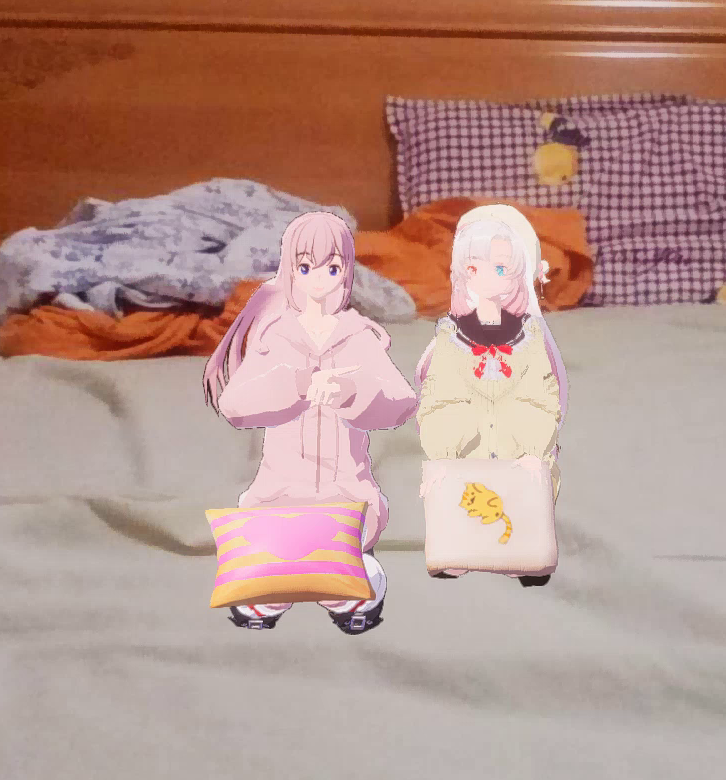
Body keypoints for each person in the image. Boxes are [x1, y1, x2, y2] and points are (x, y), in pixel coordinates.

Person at [203, 212, 417, 634]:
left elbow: (401, 402)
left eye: (332, 268)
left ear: (347, 273)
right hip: (279, 496)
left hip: (346, 498)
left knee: (352, 579)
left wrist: (352, 392)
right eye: (305, 268)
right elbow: (236, 405)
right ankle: (283, 581)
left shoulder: (359, 337)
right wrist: (297, 385)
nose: (319, 280)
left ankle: (345, 581)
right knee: (262, 587)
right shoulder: (274, 338)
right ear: (289, 271)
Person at [414, 203, 568, 585]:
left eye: (508, 269)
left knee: (528, 481)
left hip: (519, 453)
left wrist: (531, 448)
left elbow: (543, 396)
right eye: (496, 268)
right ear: (467, 271)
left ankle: (524, 547)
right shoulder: (449, 339)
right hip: (467, 455)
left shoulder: (530, 337)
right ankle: (462, 545)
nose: (505, 277)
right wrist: (446, 448)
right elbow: (437, 398)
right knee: (459, 485)